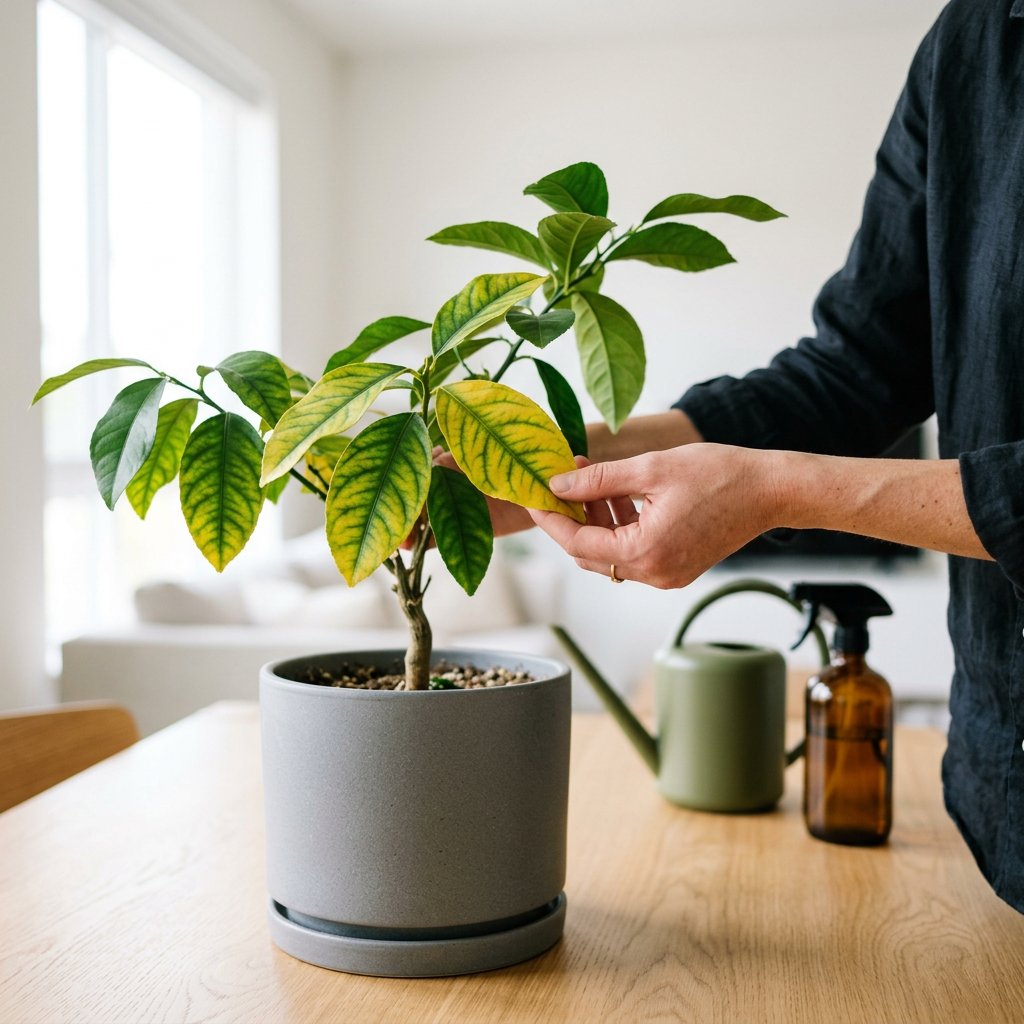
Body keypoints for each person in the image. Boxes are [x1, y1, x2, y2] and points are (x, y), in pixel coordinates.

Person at [512, 0, 1024, 912]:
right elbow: (854, 372)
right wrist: (552, 459)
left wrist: (772, 490)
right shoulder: (971, 46)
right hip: (1000, 802)